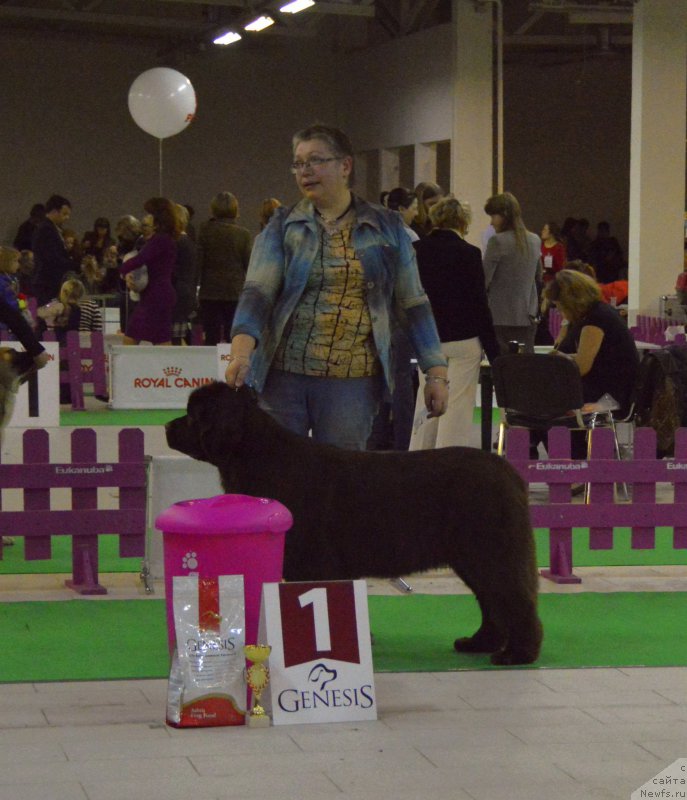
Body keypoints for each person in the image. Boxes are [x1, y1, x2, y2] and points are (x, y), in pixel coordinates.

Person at [226, 122, 448, 450]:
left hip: (353, 382)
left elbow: (414, 303)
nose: (305, 171)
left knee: (342, 477)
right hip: (283, 378)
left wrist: (436, 372)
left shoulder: (387, 227)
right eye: (298, 163)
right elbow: (258, 292)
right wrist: (241, 353)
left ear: (345, 166)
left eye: (315, 160)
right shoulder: (282, 225)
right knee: (275, 473)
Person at [408, 196, 499, 450]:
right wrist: (494, 352)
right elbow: (479, 305)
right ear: (463, 222)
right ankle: (449, 461)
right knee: (456, 407)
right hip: (463, 339)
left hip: (428, 339)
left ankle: (417, 460)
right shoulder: (470, 253)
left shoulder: (416, 251)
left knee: (425, 402)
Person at [545, 269, 639, 418]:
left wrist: (560, 358)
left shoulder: (596, 320)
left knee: (545, 400)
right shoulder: (598, 312)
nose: (559, 311)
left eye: (560, 306)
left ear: (571, 302)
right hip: (609, 388)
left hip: (611, 396)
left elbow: (582, 367)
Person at [483, 192, 542, 354]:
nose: (491, 222)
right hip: (528, 315)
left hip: (500, 315)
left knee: (503, 363)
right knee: (525, 363)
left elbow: (484, 279)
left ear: (504, 215)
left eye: (493, 216)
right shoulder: (535, 240)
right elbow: (539, 276)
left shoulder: (497, 241)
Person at [118, 197, 178, 346]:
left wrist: (122, 270)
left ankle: (125, 363)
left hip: (155, 296)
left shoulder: (159, 240)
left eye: (149, 213)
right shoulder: (166, 238)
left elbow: (140, 259)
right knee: (162, 340)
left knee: (131, 336)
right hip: (160, 295)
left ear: (157, 216)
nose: (146, 217)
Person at [197, 191, 252, 345]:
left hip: (210, 291)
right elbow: (248, 264)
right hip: (234, 291)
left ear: (213, 209)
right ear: (235, 209)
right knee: (233, 336)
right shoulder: (244, 234)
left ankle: (210, 361)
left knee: (211, 335)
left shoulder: (205, 230)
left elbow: (199, 261)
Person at [31, 194, 74, 307]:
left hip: (49, 281)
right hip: (46, 283)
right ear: (54, 211)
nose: (67, 218)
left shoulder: (51, 228)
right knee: (47, 313)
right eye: (64, 214)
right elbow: (51, 257)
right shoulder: (46, 229)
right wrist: (72, 264)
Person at [171, 204, 198, 345]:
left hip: (177, 297)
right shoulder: (189, 242)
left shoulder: (177, 243)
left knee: (174, 340)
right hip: (186, 295)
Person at [540, 221, 566, 285]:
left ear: (551, 233)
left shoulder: (559, 248)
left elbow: (560, 267)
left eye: (545, 230)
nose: (542, 231)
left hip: (553, 281)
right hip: (540, 279)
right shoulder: (540, 246)